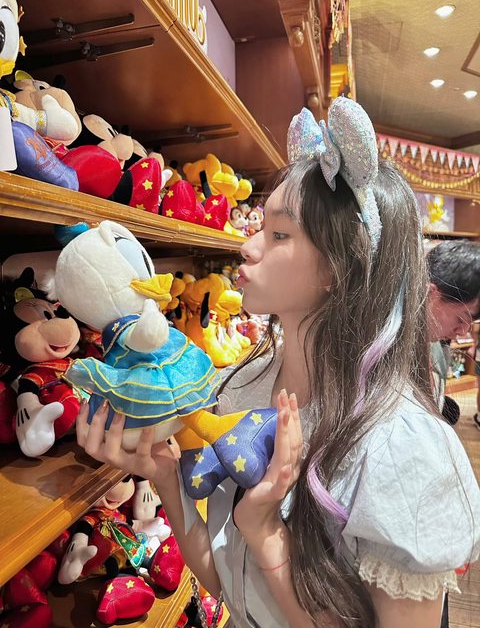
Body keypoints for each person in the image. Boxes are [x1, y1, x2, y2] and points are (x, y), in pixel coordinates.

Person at [76, 98, 480, 628]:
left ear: (341, 265)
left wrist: (267, 534)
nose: (247, 247)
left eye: (279, 234)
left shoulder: (404, 452)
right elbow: (228, 584)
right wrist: (166, 479)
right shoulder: (240, 385)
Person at [427, 240, 480, 414]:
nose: (463, 331)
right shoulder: (383, 346)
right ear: (430, 294)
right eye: (461, 319)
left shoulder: (436, 346)